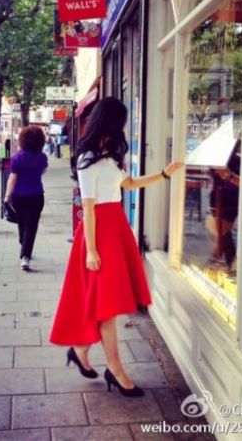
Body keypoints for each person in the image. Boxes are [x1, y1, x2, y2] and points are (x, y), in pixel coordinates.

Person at [49, 97, 183, 397]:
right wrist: (91, 250)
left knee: (108, 301)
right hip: (99, 234)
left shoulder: (109, 156)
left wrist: (164, 174)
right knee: (108, 305)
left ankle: (81, 350)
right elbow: (88, 206)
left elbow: (129, 184)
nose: (123, 127)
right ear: (110, 122)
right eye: (121, 121)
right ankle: (116, 369)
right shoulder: (87, 159)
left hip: (116, 229)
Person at [3, 126, 48, 271]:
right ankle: (25, 256)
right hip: (36, 196)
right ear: (40, 141)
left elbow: (12, 178)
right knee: (31, 226)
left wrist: (7, 196)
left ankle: (23, 244)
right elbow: (43, 171)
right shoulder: (42, 157)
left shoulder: (16, 157)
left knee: (22, 223)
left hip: (19, 197)